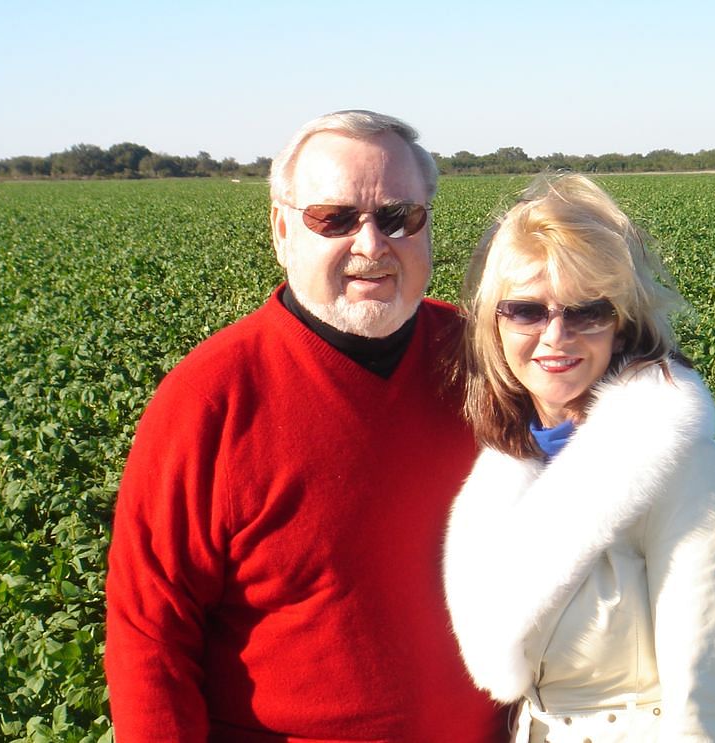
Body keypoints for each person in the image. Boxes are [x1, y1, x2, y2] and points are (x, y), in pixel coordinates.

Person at [105, 110, 507, 742]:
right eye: (335, 219)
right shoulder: (210, 399)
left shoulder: (489, 360)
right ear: (282, 229)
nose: (372, 245)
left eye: (399, 217)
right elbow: (150, 635)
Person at [443, 173, 715, 742]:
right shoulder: (508, 462)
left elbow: (706, 708)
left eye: (588, 311)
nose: (556, 335)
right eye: (526, 310)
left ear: (623, 324)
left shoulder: (693, 475)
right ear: (494, 323)